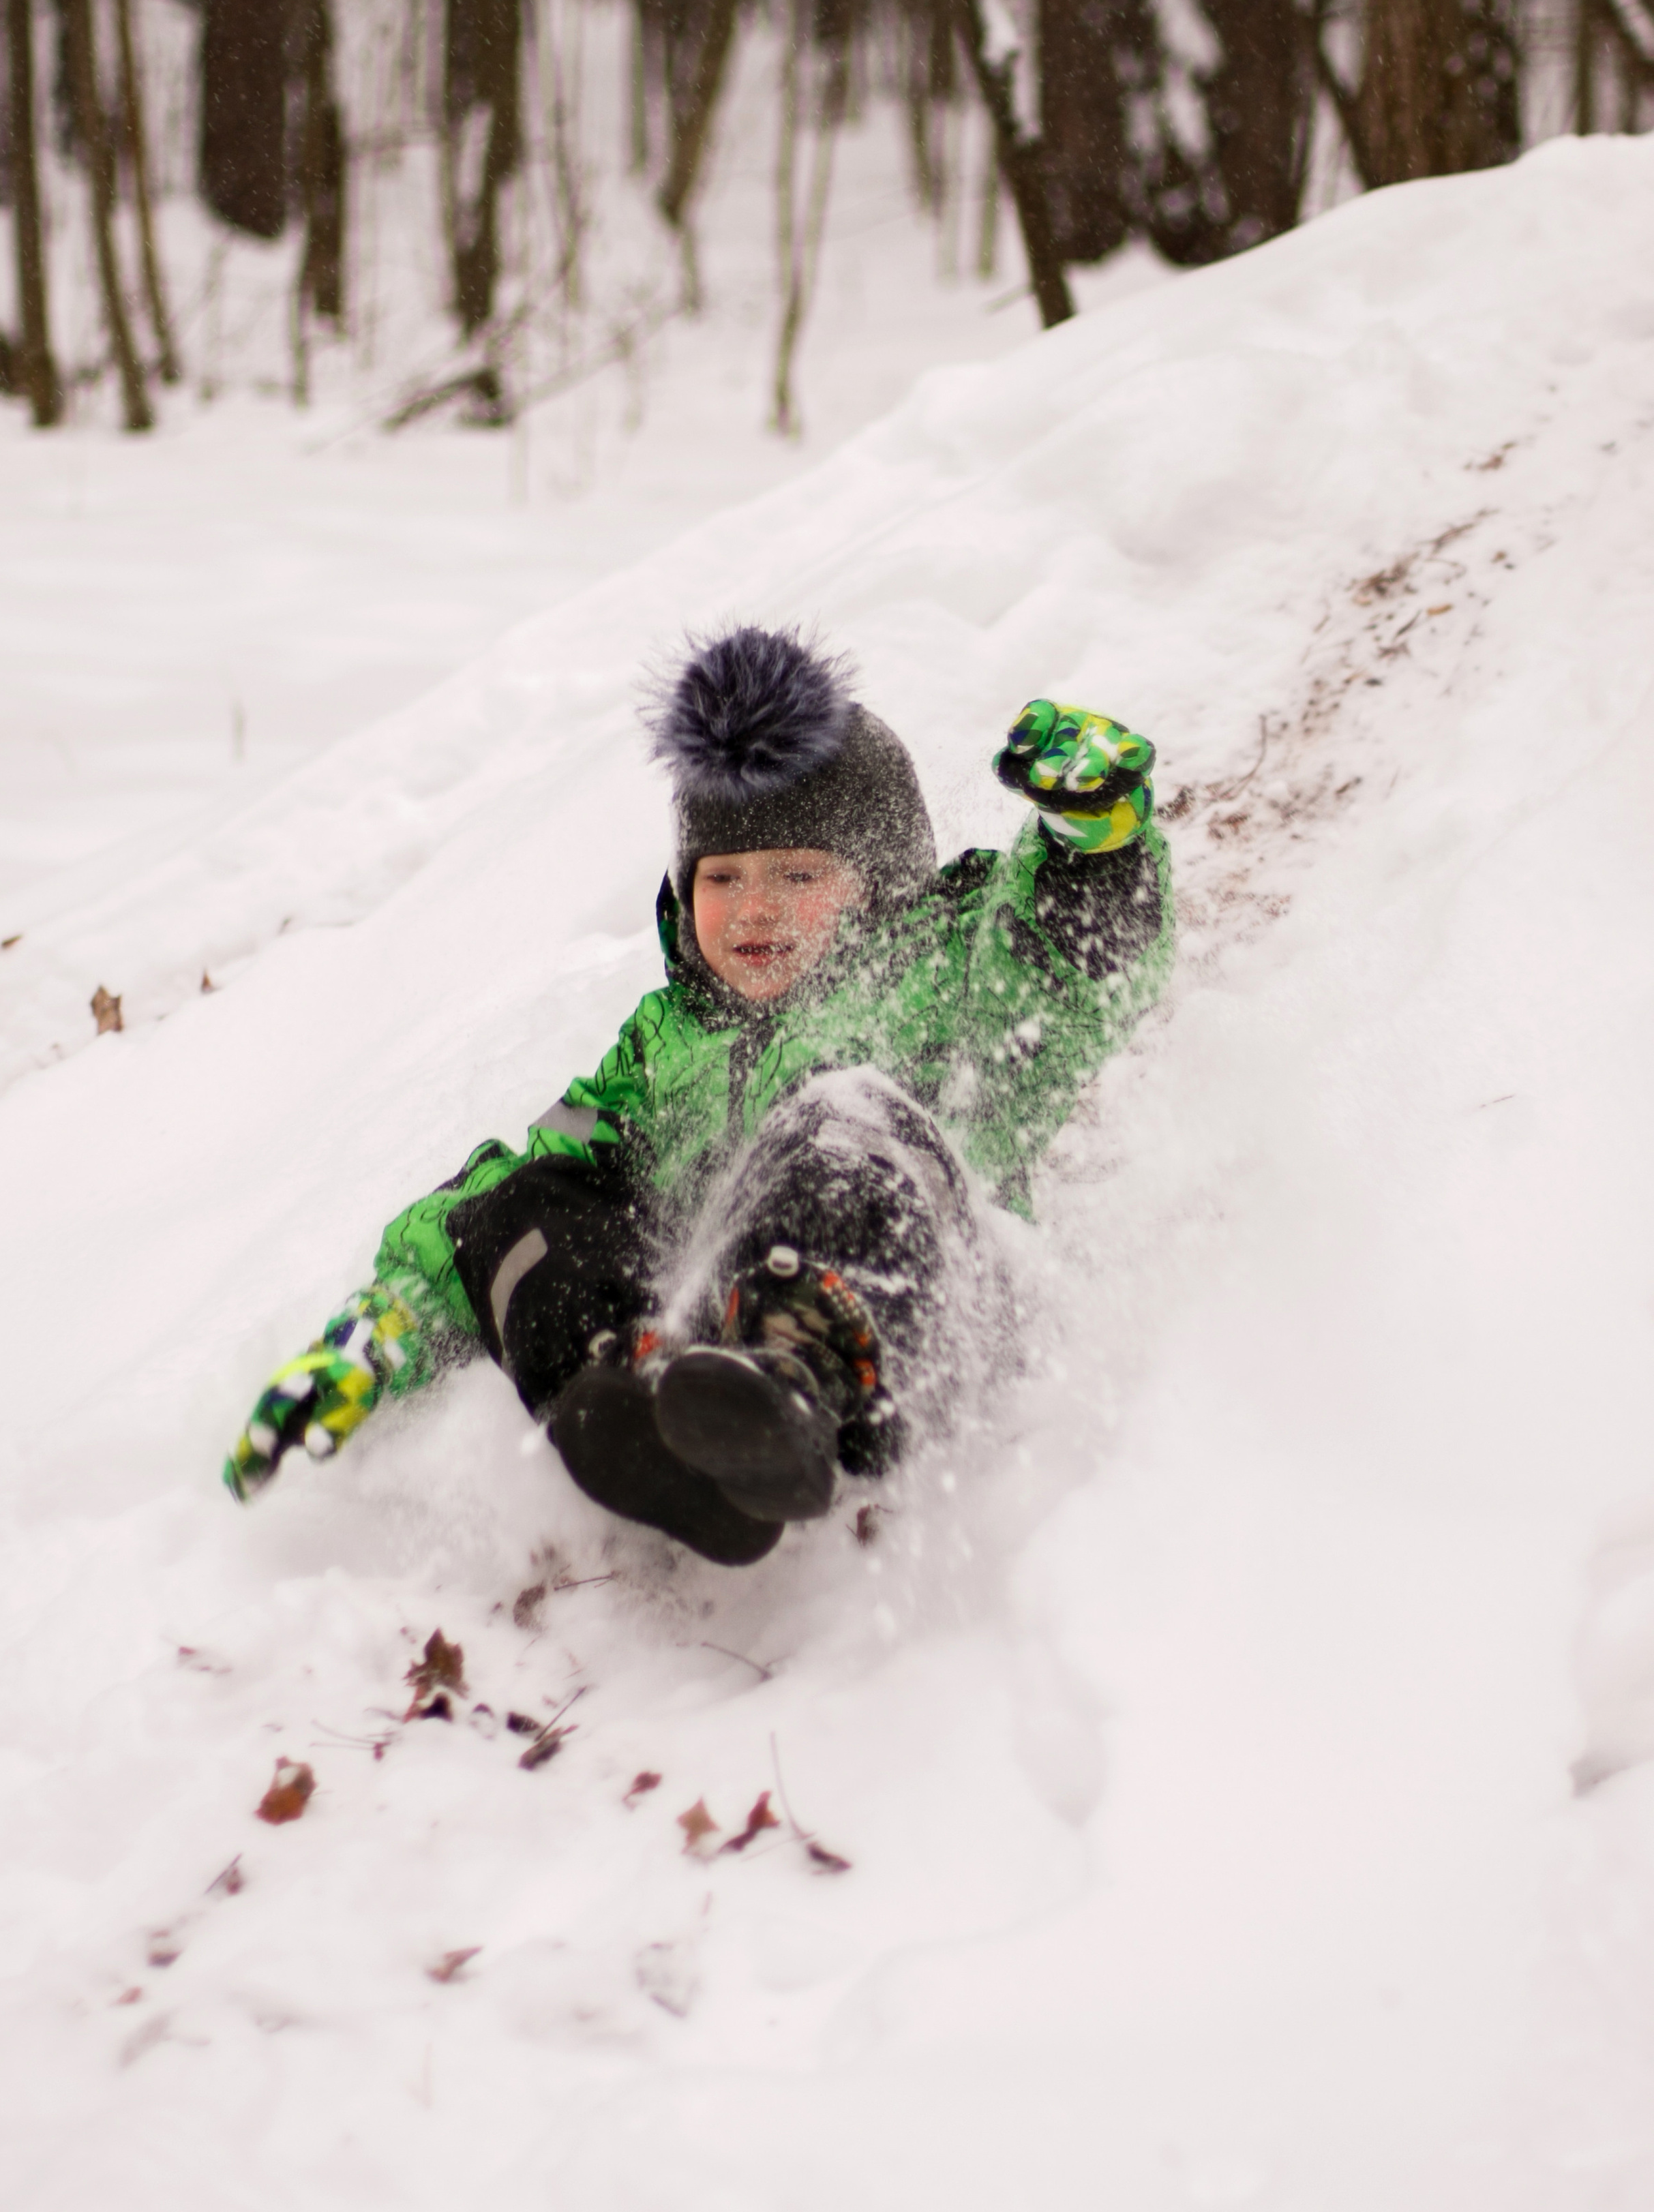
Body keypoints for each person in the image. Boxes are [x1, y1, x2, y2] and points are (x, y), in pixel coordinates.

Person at [224, 626, 1173, 1564]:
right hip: (703, 1351)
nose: (755, 908)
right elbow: (537, 1175)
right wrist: (385, 1323)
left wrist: (1100, 841)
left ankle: (796, 1371)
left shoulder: (945, 975)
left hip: (918, 1323)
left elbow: (1071, 964)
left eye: (799, 874)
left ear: (879, 883)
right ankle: (639, 1403)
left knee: (839, 1111)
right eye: (724, 877)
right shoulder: (663, 1040)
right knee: (524, 1204)